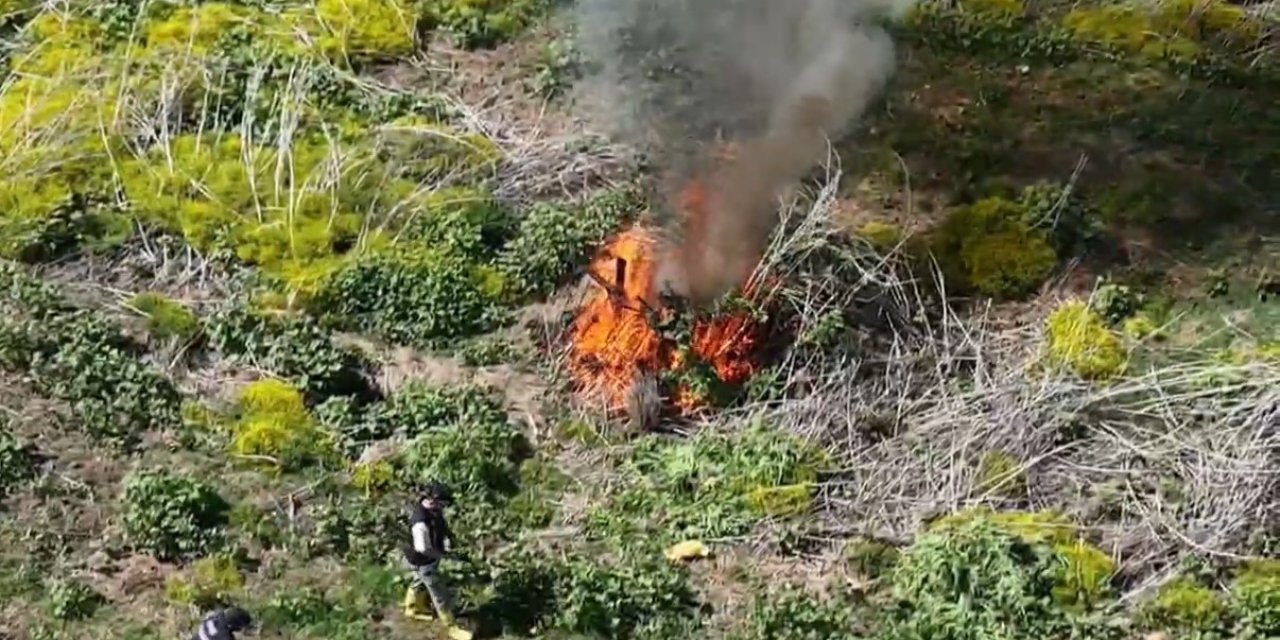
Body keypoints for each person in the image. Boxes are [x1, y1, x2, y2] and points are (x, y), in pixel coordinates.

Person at [402, 481, 457, 626]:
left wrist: (447, 538)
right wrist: (441, 556)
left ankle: (412, 609)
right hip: (423, 560)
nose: (443, 508)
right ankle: (450, 625)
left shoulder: (433, 510)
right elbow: (423, 548)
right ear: (433, 501)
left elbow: (441, 525)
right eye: (442, 504)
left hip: (429, 557)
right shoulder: (420, 522)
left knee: (418, 581)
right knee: (439, 592)